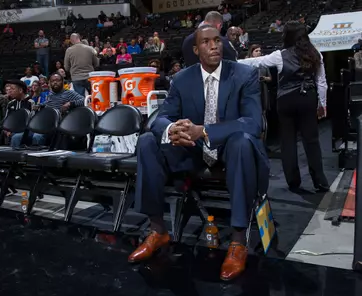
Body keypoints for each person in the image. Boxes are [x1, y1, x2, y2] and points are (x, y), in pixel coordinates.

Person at [128, 25, 269, 282]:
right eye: (206, 42)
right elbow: (160, 118)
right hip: (192, 150)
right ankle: (157, 230)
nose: (214, 45)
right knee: (148, 141)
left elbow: (253, 123)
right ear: (196, 49)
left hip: (229, 149)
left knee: (241, 141)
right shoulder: (182, 79)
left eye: (217, 40)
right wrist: (173, 129)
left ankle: (238, 242)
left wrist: (203, 130)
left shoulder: (245, 74)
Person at [239, 21, 329, 192]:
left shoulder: (281, 55)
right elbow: (321, 82)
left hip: (286, 101)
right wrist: (322, 104)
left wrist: (233, 61)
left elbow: (257, 62)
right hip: (307, 99)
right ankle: (320, 182)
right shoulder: (315, 53)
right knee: (312, 141)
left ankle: (293, 182)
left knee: (288, 142)